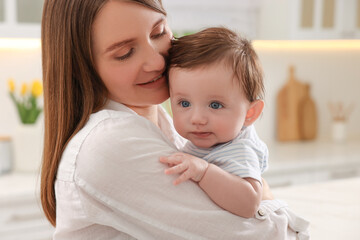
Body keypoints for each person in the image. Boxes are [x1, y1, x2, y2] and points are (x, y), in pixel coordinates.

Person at [40, 0, 309, 239]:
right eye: (124, 53)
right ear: (82, 67)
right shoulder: (111, 144)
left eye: (158, 33)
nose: (157, 62)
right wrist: (263, 192)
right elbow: (264, 235)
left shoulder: (168, 122)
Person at [160, 27, 268, 218]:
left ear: (250, 113)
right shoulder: (206, 141)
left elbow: (249, 204)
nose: (197, 119)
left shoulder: (239, 150)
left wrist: (204, 172)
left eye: (215, 105)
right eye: (184, 103)